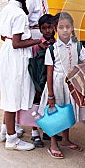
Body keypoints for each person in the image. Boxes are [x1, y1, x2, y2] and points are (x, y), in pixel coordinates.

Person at [0, 0, 42, 151]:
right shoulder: (19, 14)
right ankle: (11, 139)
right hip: (15, 56)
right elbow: (17, 43)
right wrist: (36, 42)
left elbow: (5, 37)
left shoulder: (6, 9)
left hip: (6, 54)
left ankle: (5, 130)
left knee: (10, 93)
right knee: (12, 98)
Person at [38, 12, 85, 159]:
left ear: (72, 28)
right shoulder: (52, 49)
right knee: (55, 113)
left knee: (67, 112)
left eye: (68, 26)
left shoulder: (78, 46)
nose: (65, 30)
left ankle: (66, 139)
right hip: (57, 84)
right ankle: (54, 143)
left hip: (71, 85)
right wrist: (51, 95)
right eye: (61, 27)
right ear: (55, 29)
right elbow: (49, 73)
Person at [29, 13, 55, 148]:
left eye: (50, 27)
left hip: (50, 81)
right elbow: (33, 65)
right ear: (40, 30)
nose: (47, 31)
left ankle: (46, 129)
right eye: (44, 28)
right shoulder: (37, 46)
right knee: (36, 104)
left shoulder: (56, 44)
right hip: (39, 80)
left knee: (47, 105)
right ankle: (34, 132)